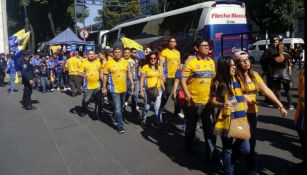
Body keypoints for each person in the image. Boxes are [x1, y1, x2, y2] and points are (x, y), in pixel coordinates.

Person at [234, 50, 288, 175]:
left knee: (251, 141)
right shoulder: (234, 76)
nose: (246, 63)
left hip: (253, 112)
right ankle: (231, 158)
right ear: (236, 63)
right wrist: (243, 97)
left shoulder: (254, 75)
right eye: (242, 61)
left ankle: (250, 167)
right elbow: (229, 94)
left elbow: (267, 90)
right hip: (239, 112)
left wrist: (280, 106)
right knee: (241, 139)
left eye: (247, 60)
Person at [211, 56, 250, 175]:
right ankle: (228, 171)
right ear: (225, 67)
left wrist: (244, 102)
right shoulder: (217, 82)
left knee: (245, 149)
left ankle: (230, 162)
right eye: (232, 65)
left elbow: (241, 94)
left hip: (240, 116)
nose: (234, 67)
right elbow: (212, 101)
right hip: (226, 118)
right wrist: (222, 104)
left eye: (234, 65)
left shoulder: (237, 79)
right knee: (227, 148)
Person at [181, 39, 216, 160]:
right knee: (191, 128)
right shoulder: (191, 62)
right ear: (196, 48)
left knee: (209, 128)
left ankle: (210, 151)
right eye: (204, 46)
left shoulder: (211, 62)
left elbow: (214, 80)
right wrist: (188, 96)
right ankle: (188, 145)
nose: (207, 47)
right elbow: (183, 81)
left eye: (208, 46)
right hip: (193, 102)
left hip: (208, 102)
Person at [103, 48, 134, 134]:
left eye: (119, 52)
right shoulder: (108, 63)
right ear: (113, 53)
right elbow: (105, 76)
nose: (117, 53)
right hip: (113, 89)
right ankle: (120, 126)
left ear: (122, 53)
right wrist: (104, 87)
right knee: (117, 107)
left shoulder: (125, 62)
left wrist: (132, 83)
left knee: (122, 106)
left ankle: (114, 115)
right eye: (116, 52)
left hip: (124, 88)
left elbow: (129, 73)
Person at [140, 52, 165, 129]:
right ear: (149, 59)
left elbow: (160, 79)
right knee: (147, 107)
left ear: (156, 59)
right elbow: (142, 79)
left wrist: (164, 88)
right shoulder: (145, 67)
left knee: (157, 107)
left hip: (157, 90)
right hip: (147, 90)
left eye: (154, 58)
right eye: (151, 58)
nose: (153, 60)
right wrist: (141, 90)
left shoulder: (159, 68)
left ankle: (158, 122)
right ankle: (143, 118)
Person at [79, 50, 103, 120]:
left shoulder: (98, 62)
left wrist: (103, 81)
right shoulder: (84, 63)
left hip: (97, 85)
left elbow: (100, 71)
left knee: (98, 101)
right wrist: (84, 75)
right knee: (86, 100)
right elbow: (79, 73)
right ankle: (83, 110)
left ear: (95, 55)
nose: (91, 55)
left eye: (93, 54)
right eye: (90, 54)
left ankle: (97, 114)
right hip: (88, 85)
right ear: (87, 55)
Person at [160, 37, 181, 113]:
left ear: (176, 43)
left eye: (174, 41)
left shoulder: (178, 53)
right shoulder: (164, 52)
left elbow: (179, 63)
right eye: (170, 41)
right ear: (168, 43)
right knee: (167, 92)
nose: (172, 43)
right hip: (168, 76)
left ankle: (177, 110)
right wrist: (162, 75)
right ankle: (161, 106)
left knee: (177, 93)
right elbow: (161, 64)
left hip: (177, 76)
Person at [270, 43, 294, 110]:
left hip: (275, 74)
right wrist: (289, 75)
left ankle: (279, 105)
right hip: (285, 74)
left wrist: (271, 74)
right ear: (284, 48)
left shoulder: (273, 56)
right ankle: (290, 105)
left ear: (276, 48)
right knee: (288, 90)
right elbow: (289, 66)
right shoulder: (287, 55)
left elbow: (271, 67)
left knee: (277, 90)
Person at [260, 36, 280, 106]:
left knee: (277, 88)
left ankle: (276, 101)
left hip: (279, 72)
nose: (276, 43)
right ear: (271, 43)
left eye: (277, 42)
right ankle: (268, 100)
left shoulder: (281, 49)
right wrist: (266, 69)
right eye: (274, 42)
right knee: (270, 87)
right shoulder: (268, 50)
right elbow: (262, 60)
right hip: (270, 72)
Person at [123, 47, 140, 115]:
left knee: (135, 96)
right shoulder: (121, 60)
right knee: (125, 96)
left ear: (130, 54)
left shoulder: (133, 61)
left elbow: (134, 71)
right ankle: (122, 109)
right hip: (125, 81)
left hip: (135, 80)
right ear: (123, 53)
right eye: (125, 53)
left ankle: (133, 110)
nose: (127, 54)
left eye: (128, 53)